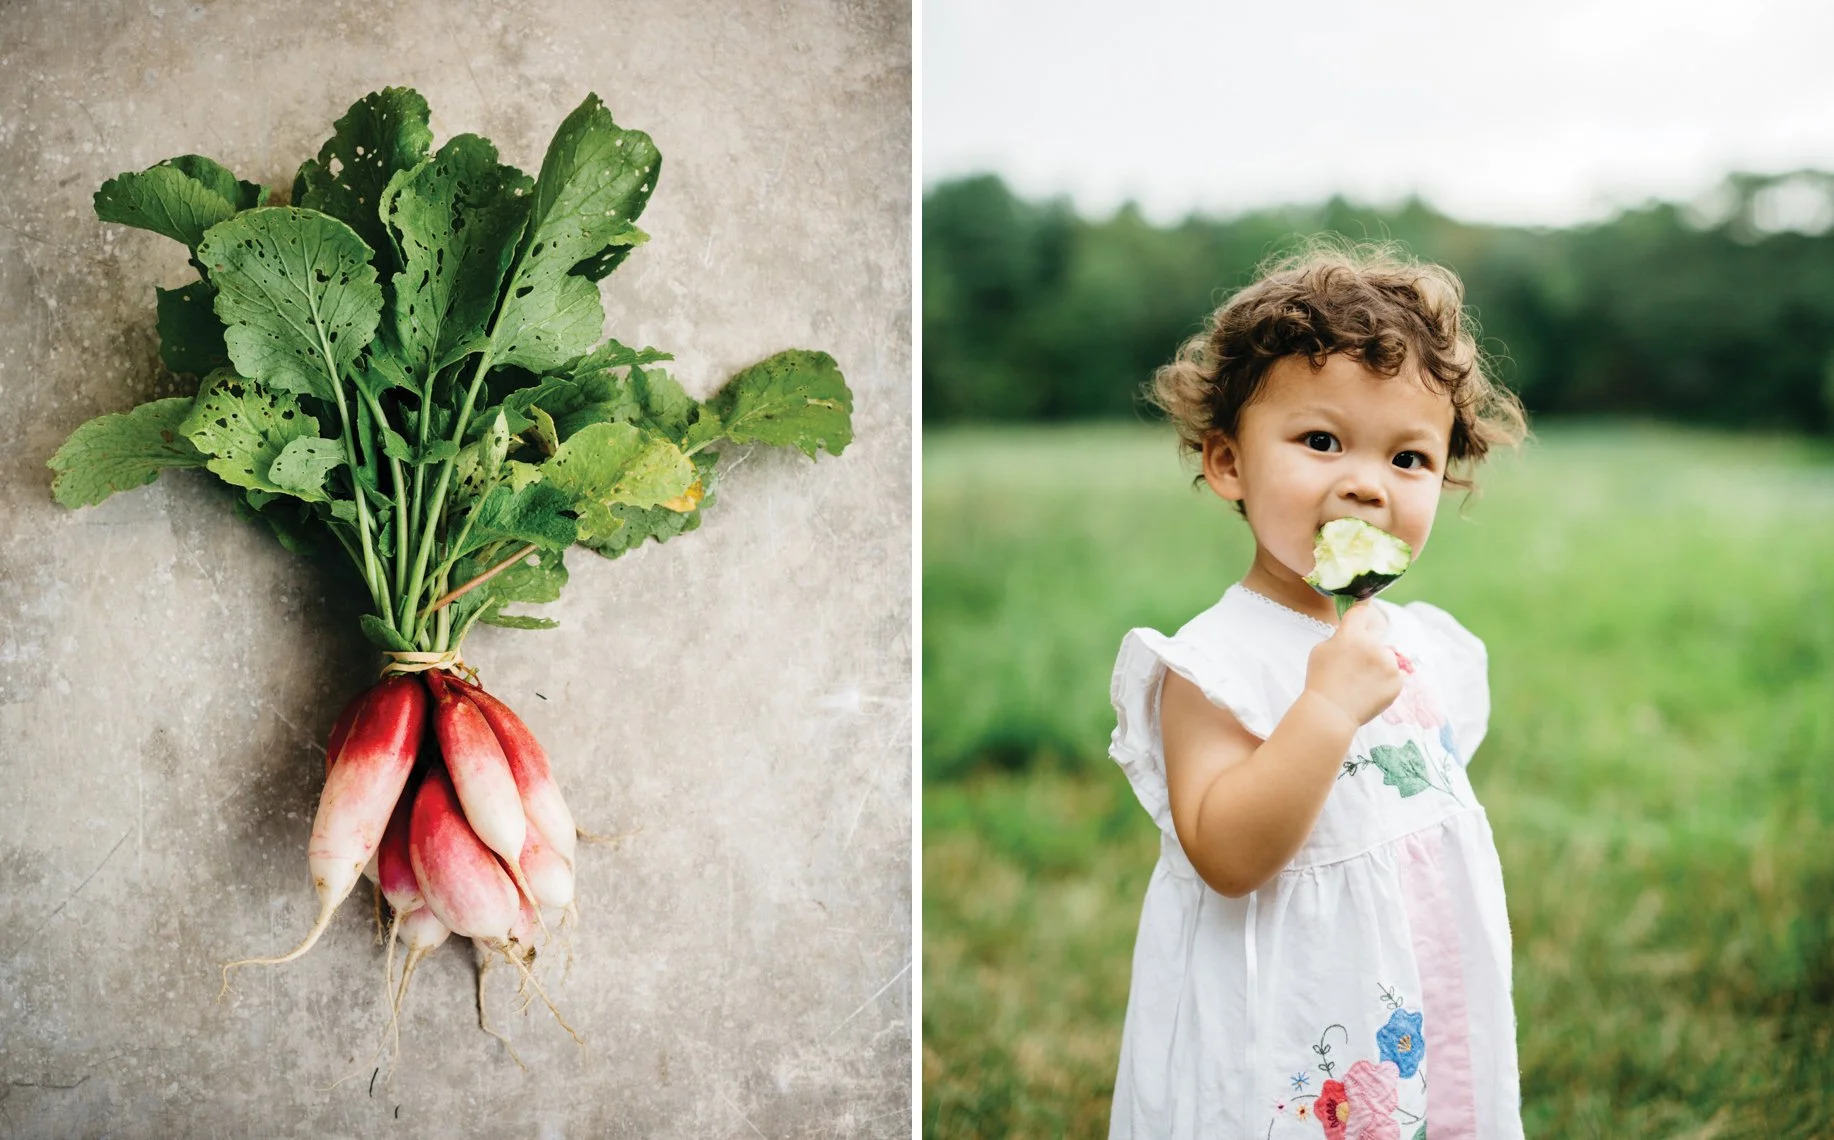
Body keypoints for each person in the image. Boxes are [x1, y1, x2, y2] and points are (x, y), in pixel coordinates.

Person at [1107, 242, 1530, 1139]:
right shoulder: (1216, 664)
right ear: (1228, 463)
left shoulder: (1417, 645)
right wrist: (1326, 711)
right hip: (1290, 1024)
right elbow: (1226, 854)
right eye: (1322, 441)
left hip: (1414, 993)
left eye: (1409, 459)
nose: (1365, 484)